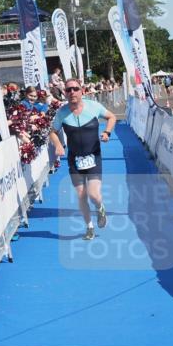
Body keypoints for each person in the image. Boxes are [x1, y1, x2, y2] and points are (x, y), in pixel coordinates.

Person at [49, 79, 116, 240]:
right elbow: (52, 131)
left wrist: (107, 133)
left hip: (93, 156)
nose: (72, 92)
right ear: (64, 93)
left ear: (82, 91)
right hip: (75, 160)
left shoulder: (93, 106)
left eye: (75, 89)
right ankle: (89, 227)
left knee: (93, 195)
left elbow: (112, 117)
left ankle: (100, 208)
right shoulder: (62, 112)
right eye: (68, 90)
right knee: (81, 195)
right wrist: (58, 145)